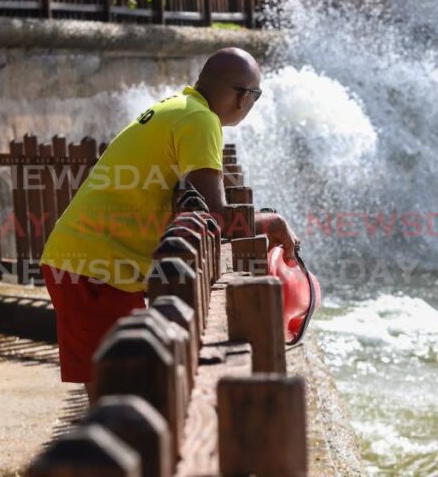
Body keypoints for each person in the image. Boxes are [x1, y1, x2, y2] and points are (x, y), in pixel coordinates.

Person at [39, 47, 299, 387]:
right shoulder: (200, 120)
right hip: (93, 268)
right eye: (256, 95)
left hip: (87, 260)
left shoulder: (180, 107)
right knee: (121, 388)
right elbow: (216, 217)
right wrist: (274, 223)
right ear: (241, 97)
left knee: (118, 386)